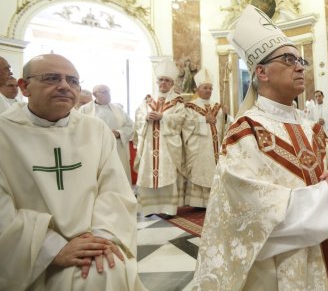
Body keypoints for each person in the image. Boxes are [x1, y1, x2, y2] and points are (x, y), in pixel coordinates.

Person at [192, 4, 328, 290]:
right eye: (289, 59)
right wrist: (324, 192)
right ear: (261, 72)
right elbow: (248, 206)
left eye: (301, 60)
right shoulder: (244, 131)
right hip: (280, 264)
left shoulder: (309, 124)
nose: (300, 66)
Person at [0, 54, 144, 290]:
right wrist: (52, 249)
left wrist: (102, 238)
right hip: (32, 253)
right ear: (24, 87)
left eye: (73, 81)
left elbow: (114, 191)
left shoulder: (95, 130)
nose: (64, 86)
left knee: (109, 270)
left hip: (95, 241)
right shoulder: (3, 132)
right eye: (51, 78)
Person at [134, 59, 186, 217]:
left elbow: (181, 119)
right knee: (147, 173)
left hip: (167, 146)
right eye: (161, 80)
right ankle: (148, 209)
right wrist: (146, 118)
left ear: (172, 84)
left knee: (167, 174)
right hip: (149, 144)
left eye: (167, 81)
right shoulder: (148, 99)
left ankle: (168, 209)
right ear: (157, 82)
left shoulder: (178, 101)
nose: (163, 83)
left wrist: (163, 117)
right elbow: (139, 116)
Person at [182, 68, 224, 208]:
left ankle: (214, 199)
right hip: (199, 145)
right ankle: (198, 202)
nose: (208, 91)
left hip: (215, 146)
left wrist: (226, 116)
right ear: (198, 88)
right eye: (205, 88)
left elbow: (223, 126)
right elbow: (186, 124)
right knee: (200, 170)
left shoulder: (217, 106)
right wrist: (203, 120)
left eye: (210, 88)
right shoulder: (190, 106)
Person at [80, 85, 135, 184]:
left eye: (109, 92)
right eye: (104, 92)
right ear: (95, 94)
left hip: (117, 147)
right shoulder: (85, 110)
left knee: (119, 177)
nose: (108, 95)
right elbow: (80, 128)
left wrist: (118, 133)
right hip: (97, 148)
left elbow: (130, 125)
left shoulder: (118, 109)